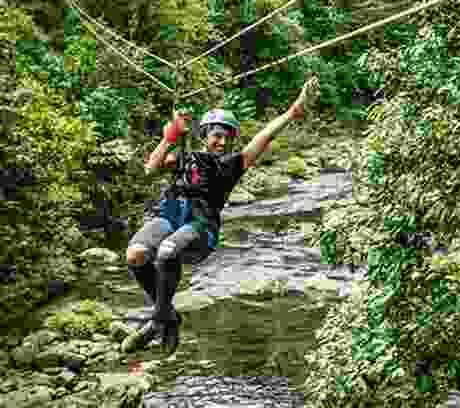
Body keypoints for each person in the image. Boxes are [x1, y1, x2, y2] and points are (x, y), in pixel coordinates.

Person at [122, 76, 320, 355]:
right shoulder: (184, 157)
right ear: (204, 136)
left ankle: (158, 320)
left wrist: (292, 112)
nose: (222, 141)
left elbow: (265, 136)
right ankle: (168, 316)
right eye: (217, 135)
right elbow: (150, 168)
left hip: (201, 225)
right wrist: (170, 137)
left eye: (227, 137)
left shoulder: (233, 164)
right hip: (169, 215)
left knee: (167, 252)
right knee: (136, 255)